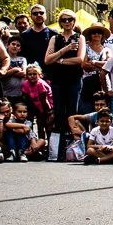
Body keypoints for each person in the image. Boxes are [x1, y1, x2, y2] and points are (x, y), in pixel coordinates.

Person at [45, 10, 84, 159]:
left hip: (74, 79)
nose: (67, 22)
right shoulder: (55, 38)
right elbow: (48, 60)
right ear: (60, 22)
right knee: (59, 113)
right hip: (58, 80)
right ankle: (57, 150)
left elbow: (79, 60)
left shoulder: (79, 38)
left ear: (74, 21)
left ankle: (73, 147)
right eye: (64, 20)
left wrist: (60, 61)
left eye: (69, 19)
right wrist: (65, 50)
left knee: (72, 112)